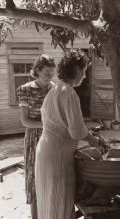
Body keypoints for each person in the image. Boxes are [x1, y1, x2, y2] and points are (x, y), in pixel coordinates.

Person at [35, 50, 107, 219]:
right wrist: (95, 141)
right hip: (57, 157)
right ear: (75, 69)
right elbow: (76, 131)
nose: (85, 75)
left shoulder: (55, 90)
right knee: (60, 205)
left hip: (46, 152)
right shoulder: (68, 92)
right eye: (84, 70)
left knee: (48, 205)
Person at [17, 54, 56, 219]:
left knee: (52, 177)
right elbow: (25, 120)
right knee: (34, 178)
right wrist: (46, 125)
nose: (50, 77)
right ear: (38, 70)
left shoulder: (54, 89)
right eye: (47, 73)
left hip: (53, 138)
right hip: (34, 139)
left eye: (52, 73)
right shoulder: (25, 90)